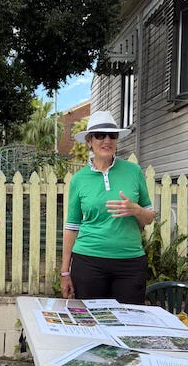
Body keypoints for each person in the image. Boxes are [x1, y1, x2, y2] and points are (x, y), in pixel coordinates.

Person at [59, 111, 156, 305]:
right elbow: (72, 227)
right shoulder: (79, 179)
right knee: (91, 325)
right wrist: (64, 272)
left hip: (130, 263)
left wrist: (135, 210)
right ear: (89, 141)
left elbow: (149, 217)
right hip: (88, 262)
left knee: (128, 325)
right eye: (100, 135)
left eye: (112, 135)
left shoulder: (134, 171)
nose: (107, 140)